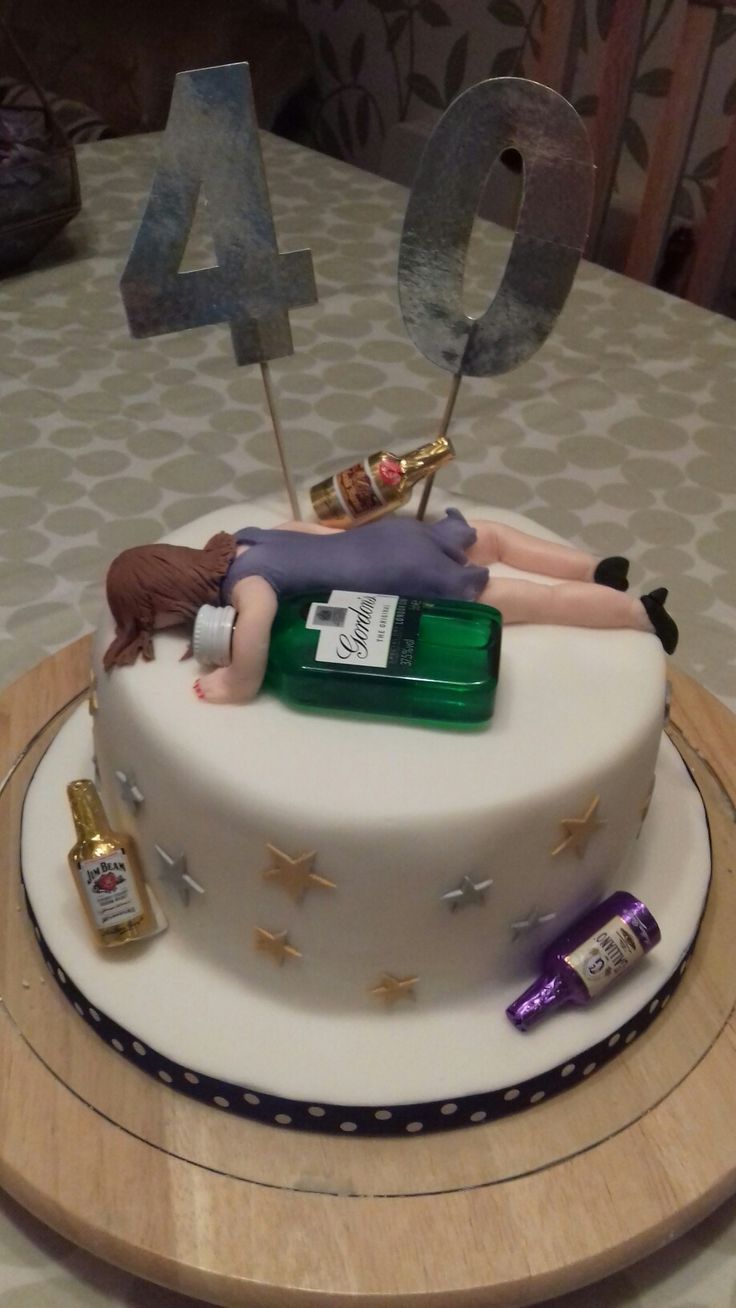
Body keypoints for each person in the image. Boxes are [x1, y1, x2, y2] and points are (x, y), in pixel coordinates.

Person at [103, 508, 678, 706]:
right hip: (394, 540)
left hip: (400, 575)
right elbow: (310, 530)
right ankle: (594, 568)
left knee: (528, 603)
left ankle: (637, 614)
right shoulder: (248, 538)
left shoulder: (248, 584)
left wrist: (235, 681)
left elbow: (252, 639)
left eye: (153, 619)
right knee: (494, 538)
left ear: (169, 599)